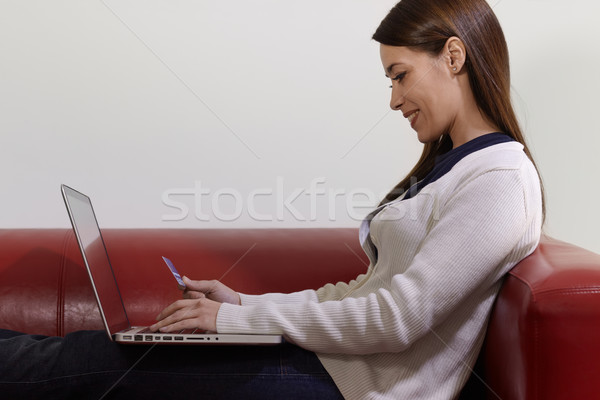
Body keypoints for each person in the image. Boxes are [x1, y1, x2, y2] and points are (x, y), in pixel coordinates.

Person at [0, 0, 543, 398]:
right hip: (332, 366)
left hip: (353, 387)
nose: (395, 99)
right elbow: (362, 295)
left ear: (454, 56)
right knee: (95, 352)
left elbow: (395, 318)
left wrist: (228, 323)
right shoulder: (458, 169)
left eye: (400, 76)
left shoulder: (500, 181)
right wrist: (241, 305)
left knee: (98, 360)